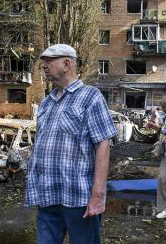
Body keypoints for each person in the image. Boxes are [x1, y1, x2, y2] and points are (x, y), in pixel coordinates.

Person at [25, 44, 117, 243]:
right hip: (47, 195)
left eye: (49, 61)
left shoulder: (90, 97)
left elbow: (103, 143)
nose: (43, 66)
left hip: (78, 198)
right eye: (43, 62)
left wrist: (98, 194)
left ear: (66, 64)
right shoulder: (47, 102)